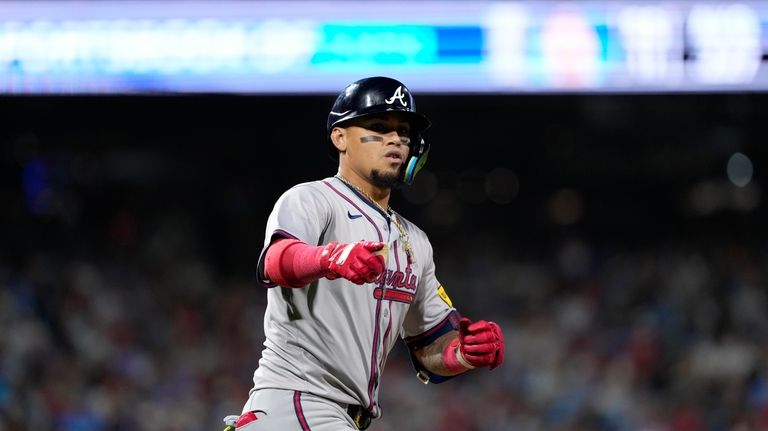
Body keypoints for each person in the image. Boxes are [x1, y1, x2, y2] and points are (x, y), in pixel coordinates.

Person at [228, 76, 505, 430]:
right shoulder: (312, 199)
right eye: (378, 127)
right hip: (296, 402)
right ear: (339, 137)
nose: (395, 139)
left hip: (343, 417)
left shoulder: (415, 242)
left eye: (404, 132)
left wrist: (464, 353)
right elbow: (276, 261)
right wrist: (330, 258)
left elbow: (429, 345)